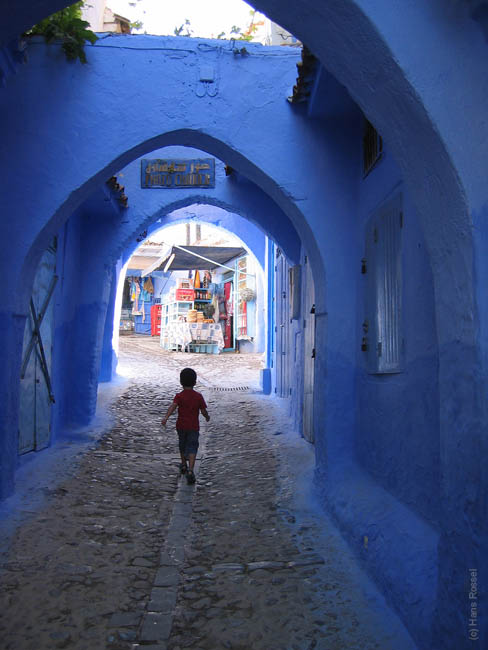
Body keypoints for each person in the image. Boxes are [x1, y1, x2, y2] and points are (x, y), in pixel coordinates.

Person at [162, 367, 210, 485]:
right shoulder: (198, 396)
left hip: (181, 426)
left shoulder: (179, 396)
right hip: (193, 427)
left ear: (181, 382)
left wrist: (166, 417)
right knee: (193, 447)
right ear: (194, 382)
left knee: (182, 445)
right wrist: (207, 417)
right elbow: (203, 410)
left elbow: (173, 407)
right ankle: (190, 470)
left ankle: (183, 464)